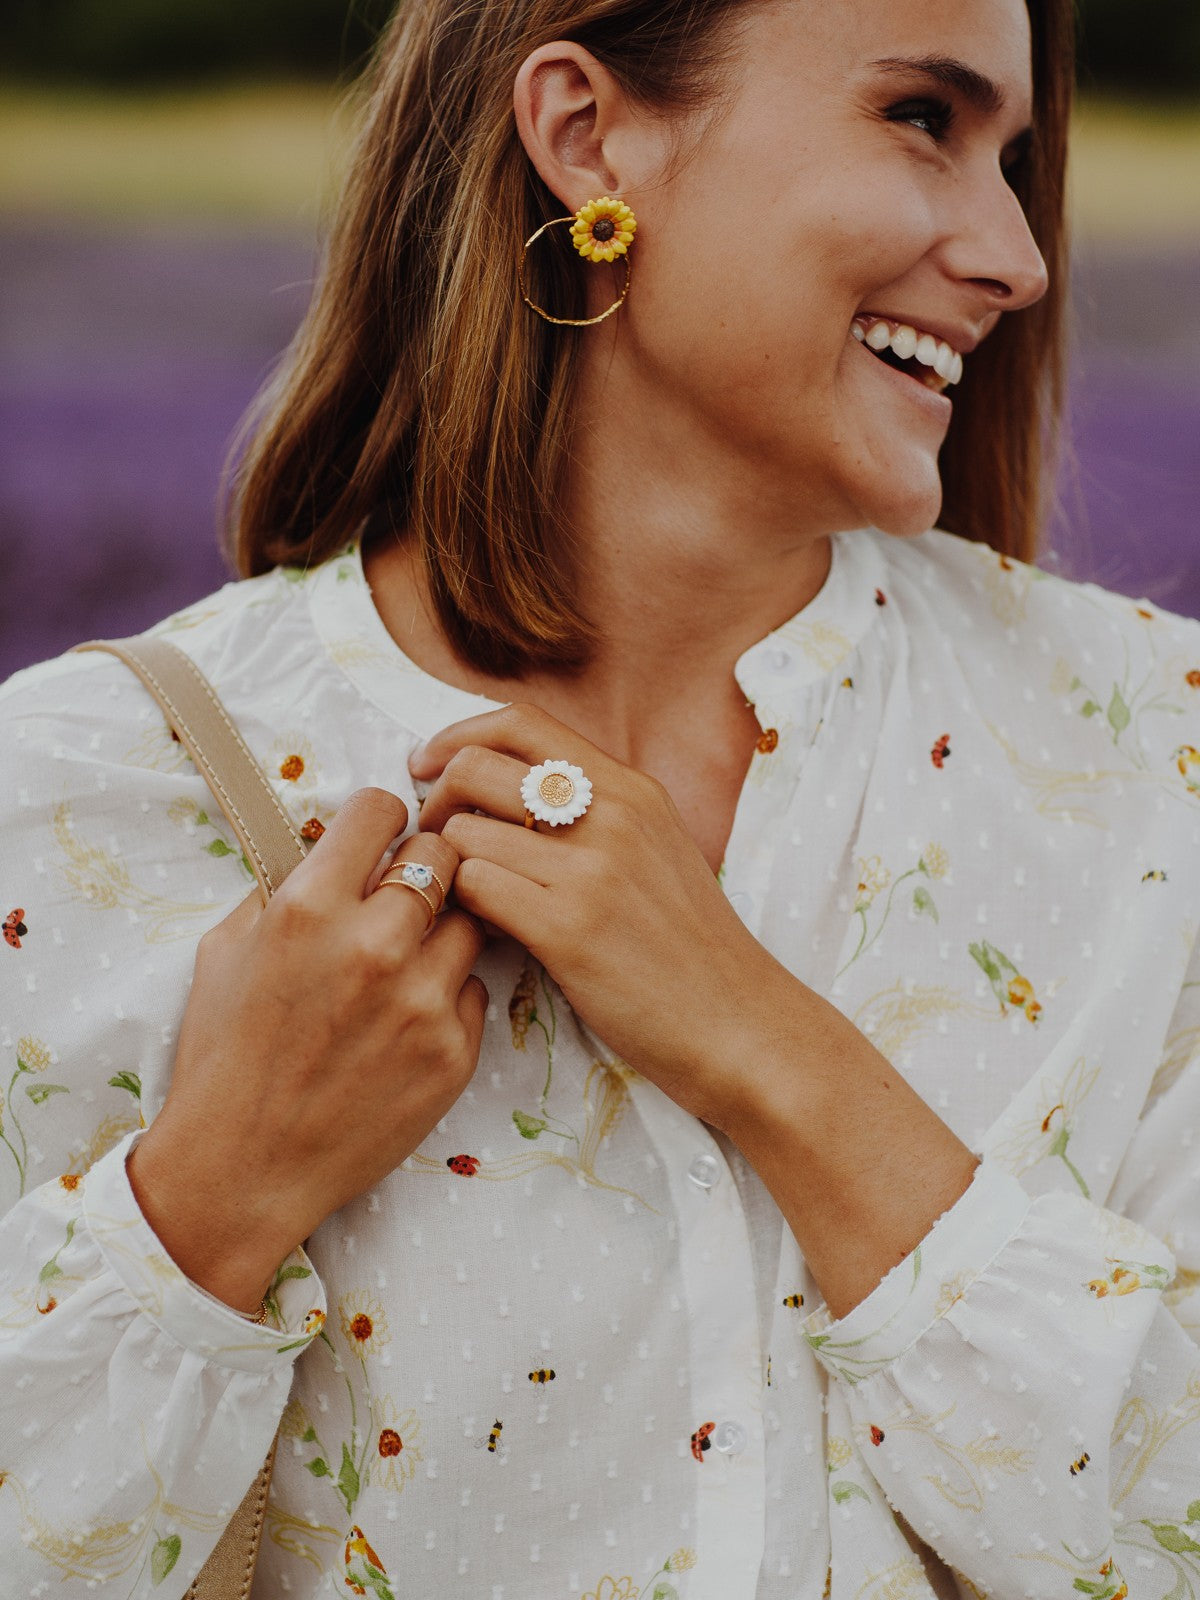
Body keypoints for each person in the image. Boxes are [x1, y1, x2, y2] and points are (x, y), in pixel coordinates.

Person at [1, 0, 1197, 1596]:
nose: (1017, 254)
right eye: (923, 116)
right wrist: (207, 1204)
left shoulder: (1147, 771)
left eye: (1017, 157)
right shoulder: (82, 802)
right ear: (585, 134)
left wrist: (767, 1041)